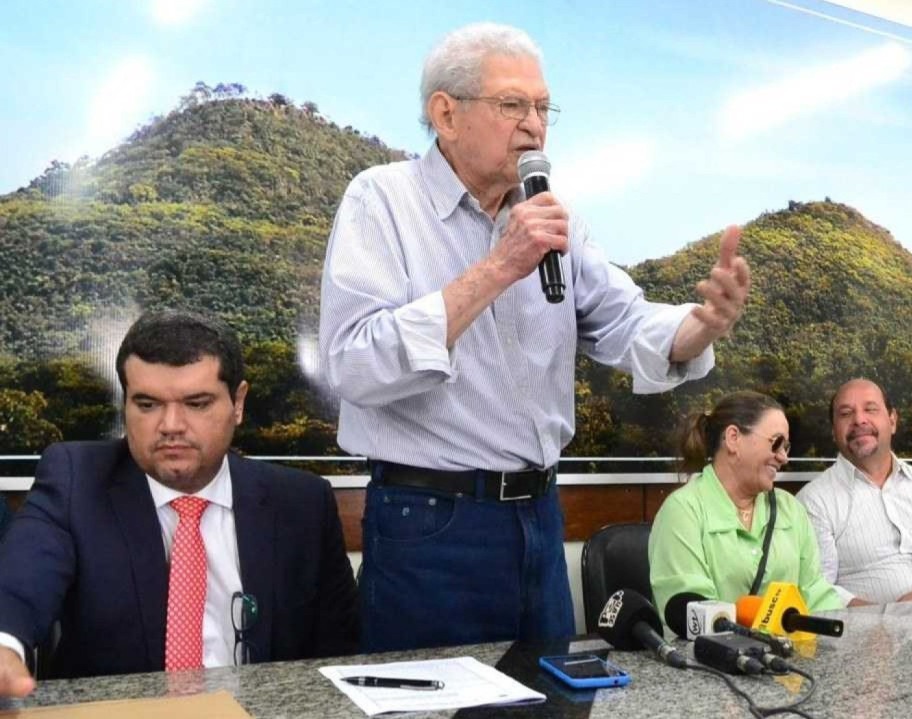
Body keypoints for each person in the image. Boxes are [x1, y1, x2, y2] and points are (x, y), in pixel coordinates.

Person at [318, 22, 749, 651]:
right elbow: (354, 362)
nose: (534, 125)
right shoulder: (382, 200)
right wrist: (498, 268)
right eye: (512, 105)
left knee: (551, 701)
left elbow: (626, 322)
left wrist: (701, 325)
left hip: (542, 515)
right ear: (446, 113)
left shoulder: (552, 217)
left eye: (543, 108)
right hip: (431, 521)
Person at [0, 310, 358, 696]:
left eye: (197, 403)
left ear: (238, 403)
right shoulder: (77, 481)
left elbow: (338, 654)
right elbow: (21, 581)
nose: (171, 425)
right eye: (148, 404)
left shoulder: (302, 503)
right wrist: (4, 645)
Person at [648, 391, 842, 617]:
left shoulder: (790, 510)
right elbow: (693, 615)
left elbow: (817, 596)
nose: (783, 457)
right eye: (777, 443)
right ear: (733, 438)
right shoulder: (683, 511)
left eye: (786, 448)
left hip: (792, 651)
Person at [797, 379, 912, 605]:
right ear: (833, 431)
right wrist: (875, 617)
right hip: (866, 634)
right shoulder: (814, 501)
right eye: (846, 413)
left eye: (871, 409)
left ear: (892, 420)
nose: (859, 419)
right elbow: (815, 586)